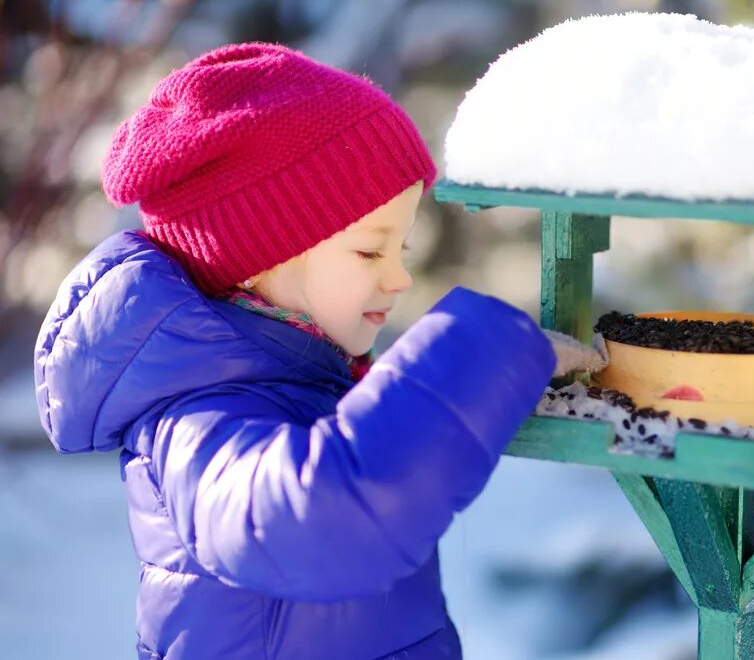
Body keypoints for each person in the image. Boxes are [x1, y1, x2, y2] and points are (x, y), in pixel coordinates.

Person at [33, 42, 605, 659]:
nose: (399, 279)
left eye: (402, 250)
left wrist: (492, 384)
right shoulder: (199, 416)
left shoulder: (297, 382)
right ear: (260, 259)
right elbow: (318, 518)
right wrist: (478, 360)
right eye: (370, 251)